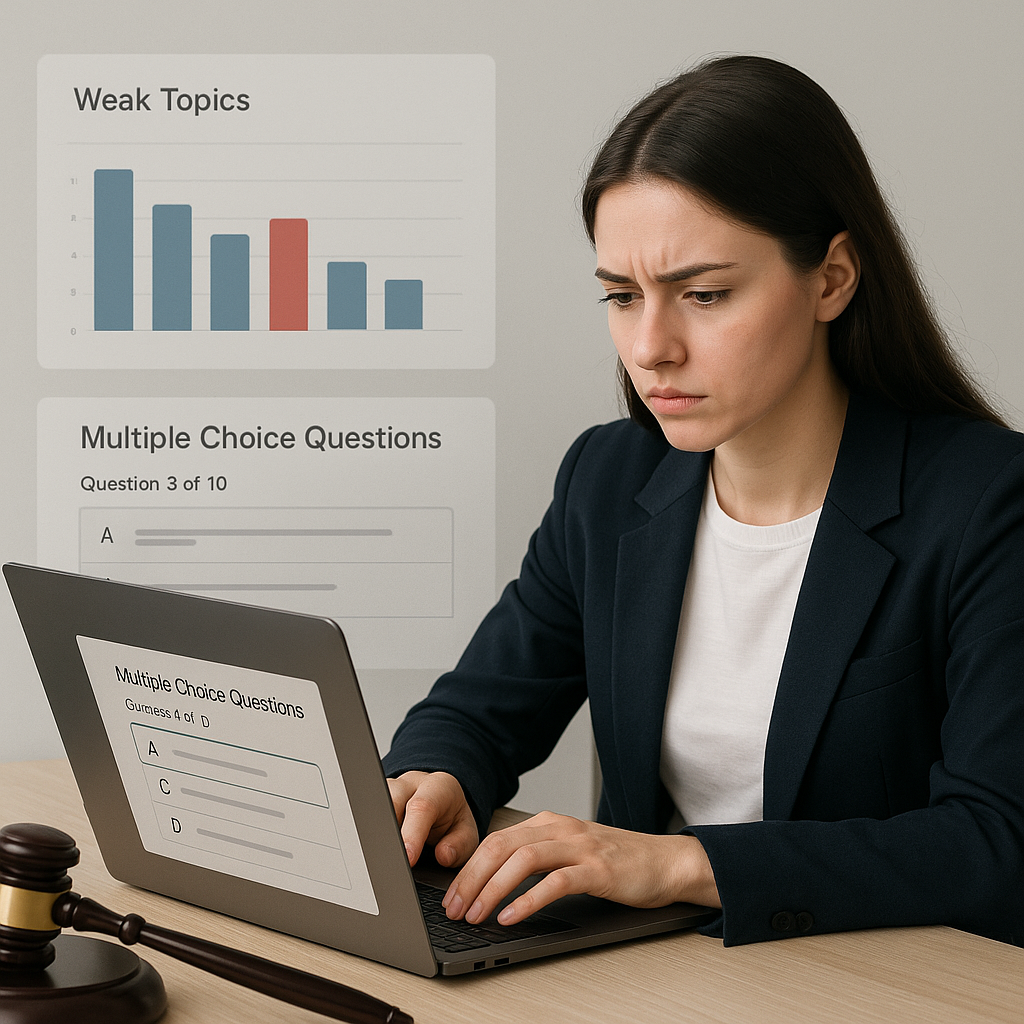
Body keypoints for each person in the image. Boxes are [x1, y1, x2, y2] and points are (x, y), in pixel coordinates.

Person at [381, 55, 1024, 946]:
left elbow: (999, 843)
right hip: (652, 977)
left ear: (832, 279)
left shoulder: (990, 501)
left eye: (704, 294)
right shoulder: (607, 480)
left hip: (877, 983)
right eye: (621, 295)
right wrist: (435, 773)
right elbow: (480, 707)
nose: (651, 348)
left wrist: (681, 863)